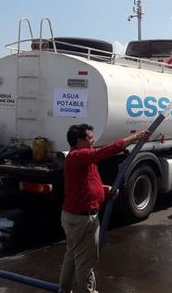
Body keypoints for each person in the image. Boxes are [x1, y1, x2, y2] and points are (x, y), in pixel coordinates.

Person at [58, 124, 150, 293]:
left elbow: (87, 183)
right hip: (83, 219)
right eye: (90, 139)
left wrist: (105, 190)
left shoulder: (84, 160)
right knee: (86, 262)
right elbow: (107, 151)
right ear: (79, 141)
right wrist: (135, 137)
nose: (93, 141)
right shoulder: (78, 156)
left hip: (74, 217)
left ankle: (64, 290)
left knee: (72, 256)